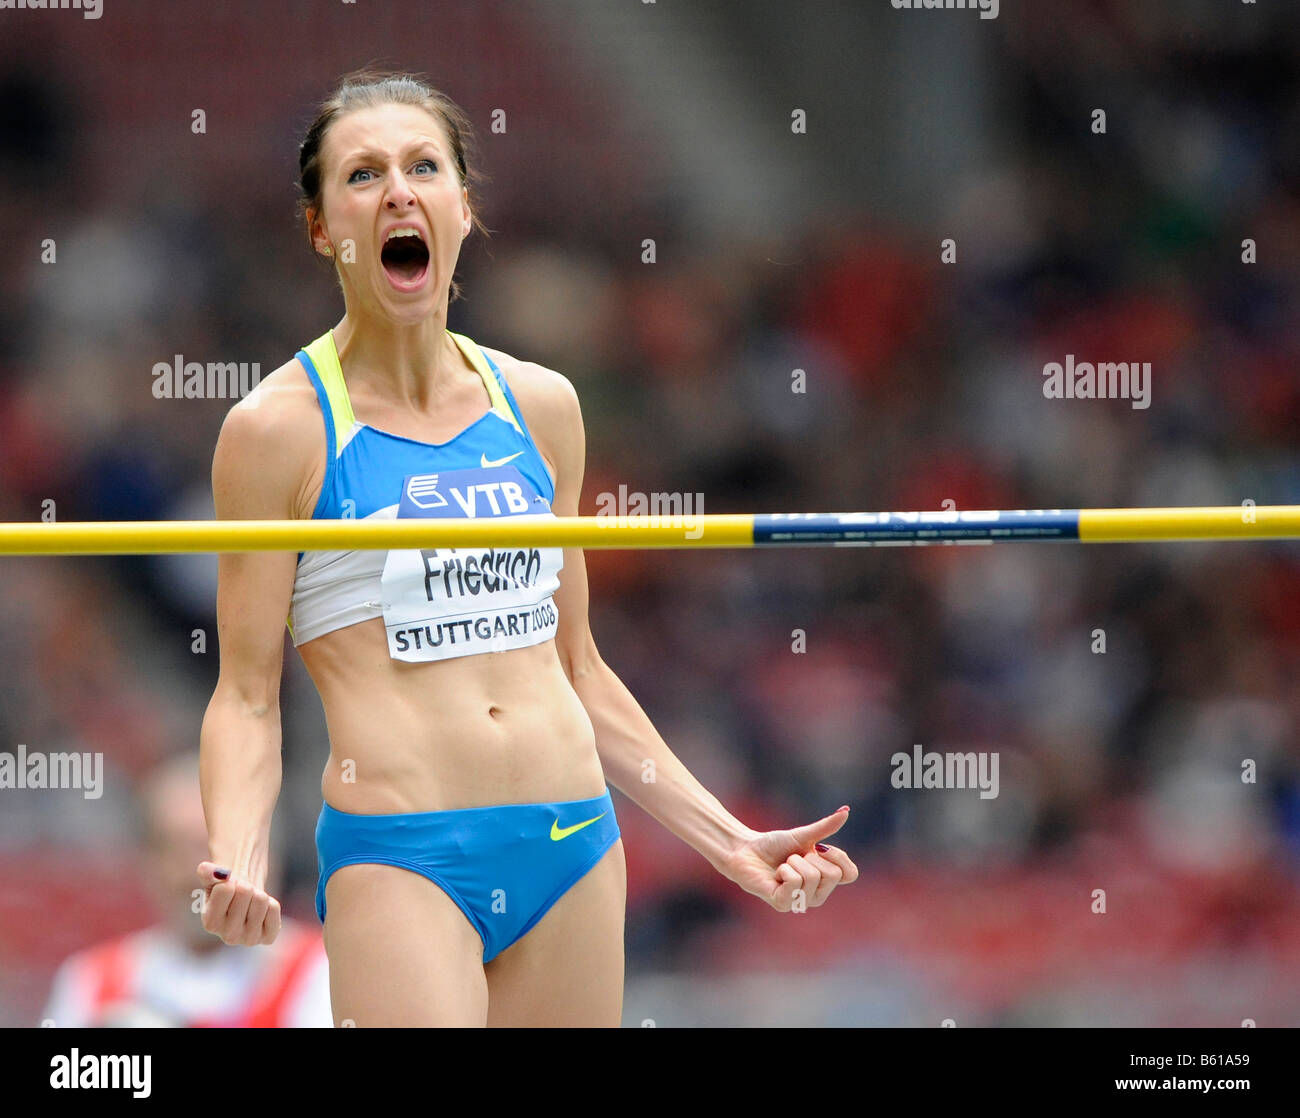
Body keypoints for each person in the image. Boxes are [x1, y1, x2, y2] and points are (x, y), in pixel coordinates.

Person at [197, 68, 858, 1027]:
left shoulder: (541, 407)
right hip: (405, 854)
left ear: (464, 206)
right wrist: (240, 856)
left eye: (424, 167)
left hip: (571, 841)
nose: (398, 193)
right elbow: (247, 695)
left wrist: (729, 841)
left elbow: (579, 667)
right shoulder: (276, 431)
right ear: (321, 228)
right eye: (363, 175)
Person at [43, 752, 330, 1028]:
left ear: (266, 855)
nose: (198, 871)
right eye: (176, 848)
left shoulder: (318, 972)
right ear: (147, 861)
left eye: (213, 846)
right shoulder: (91, 983)